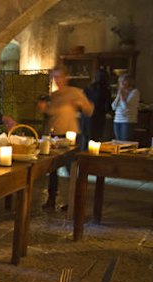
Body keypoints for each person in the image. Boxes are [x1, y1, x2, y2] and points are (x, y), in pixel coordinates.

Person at [42, 66, 94, 210]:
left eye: (60, 77)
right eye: (55, 77)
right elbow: (50, 114)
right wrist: (44, 109)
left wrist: (81, 104)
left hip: (69, 135)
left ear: (66, 77)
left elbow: (89, 110)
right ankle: (51, 199)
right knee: (52, 169)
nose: (57, 80)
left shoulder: (75, 92)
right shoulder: (53, 95)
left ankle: (74, 201)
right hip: (53, 135)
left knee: (70, 169)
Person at [81, 68, 111, 148]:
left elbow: (82, 101)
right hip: (98, 117)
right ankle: (91, 159)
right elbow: (107, 106)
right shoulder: (105, 90)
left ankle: (82, 158)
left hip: (86, 116)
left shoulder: (88, 88)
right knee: (95, 142)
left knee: (85, 139)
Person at [112, 73, 140, 141]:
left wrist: (122, 96)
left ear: (129, 82)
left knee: (125, 142)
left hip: (127, 121)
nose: (121, 83)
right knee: (118, 142)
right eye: (120, 81)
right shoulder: (120, 92)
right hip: (117, 120)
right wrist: (118, 96)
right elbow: (113, 107)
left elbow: (126, 108)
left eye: (124, 81)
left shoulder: (134, 92)